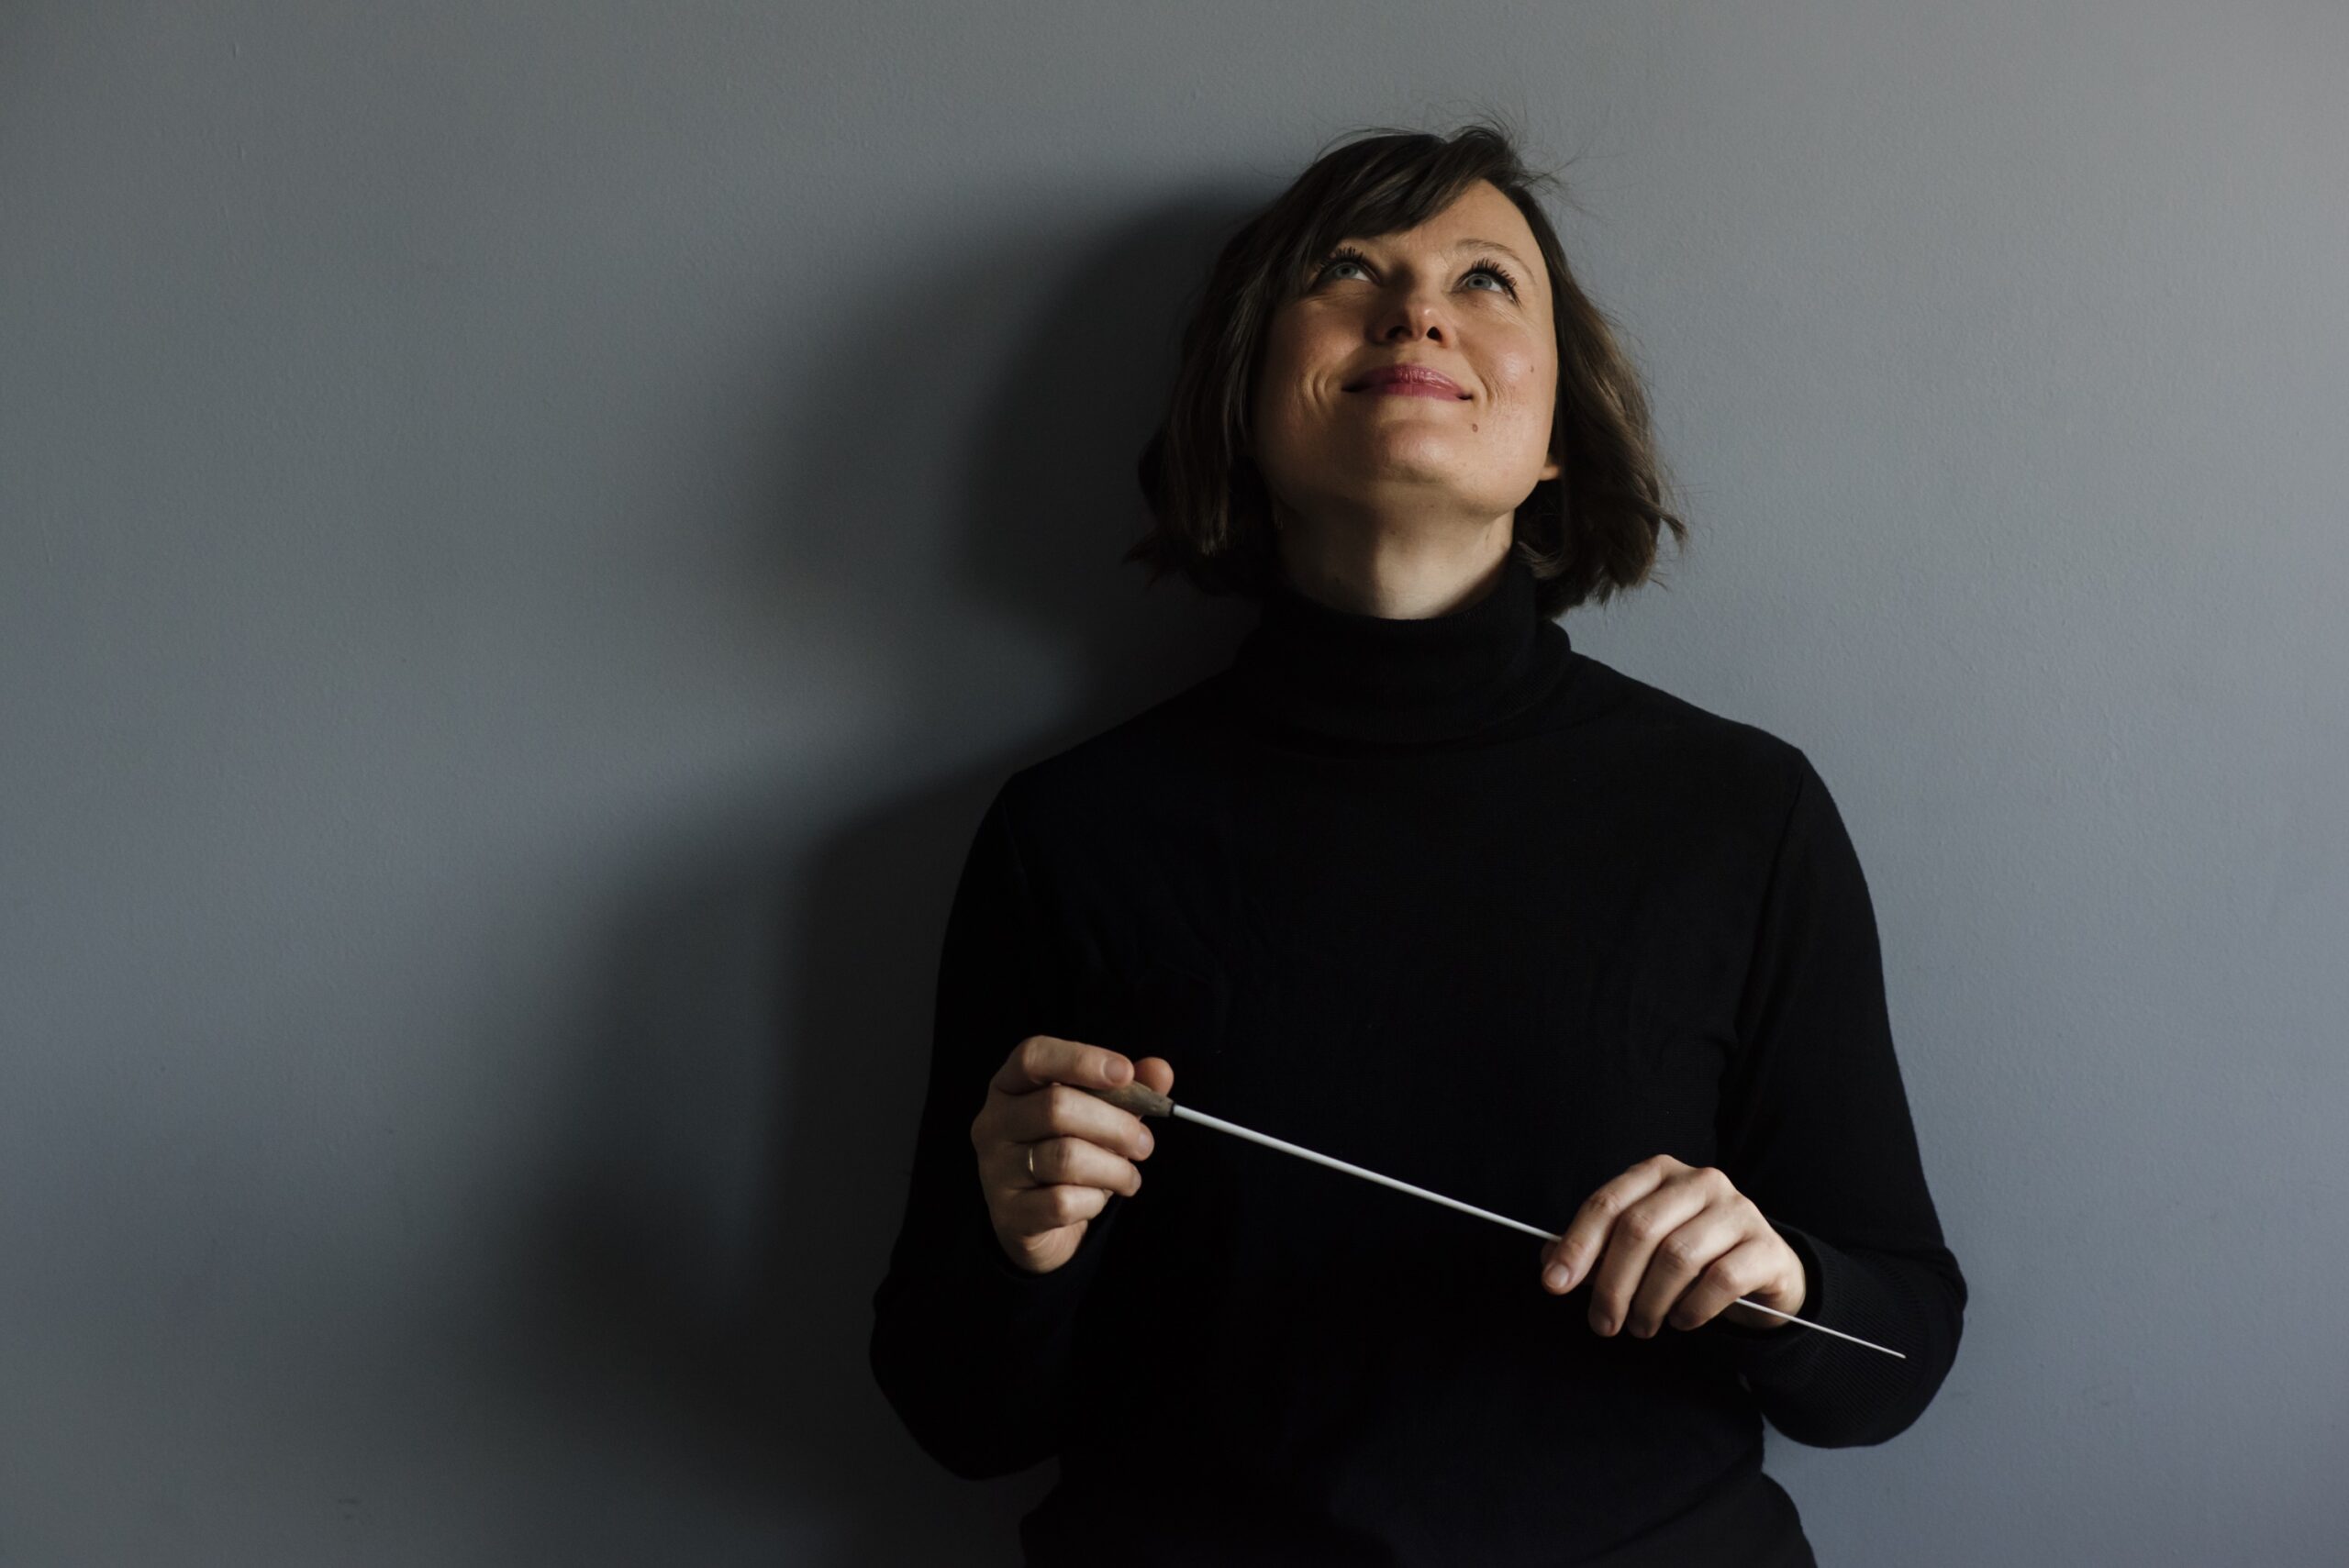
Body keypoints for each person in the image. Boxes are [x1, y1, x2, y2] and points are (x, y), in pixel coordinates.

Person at [868, 118, 1966, 1566]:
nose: (1417, 313)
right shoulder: (1070, 832)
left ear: (1561, 435)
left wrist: (1783, 1281)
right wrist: (1020, 1242)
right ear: (1245, 397)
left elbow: (1897, 1355)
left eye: (1486, 280)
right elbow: (958, 1414)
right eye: (1348, 270)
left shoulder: (1743, 813)